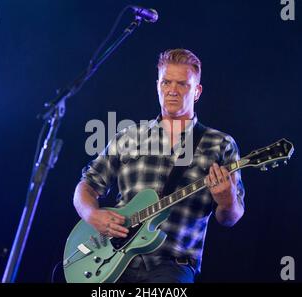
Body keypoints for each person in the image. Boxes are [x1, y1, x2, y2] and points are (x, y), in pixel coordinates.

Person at [73, 48, 245, 283]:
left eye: (182, 84)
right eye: (166, 82)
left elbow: (231, 217)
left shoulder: (220, 144)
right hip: (111, 258)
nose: (172, 90)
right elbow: (87, 186)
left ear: (197, 91)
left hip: (172, 264)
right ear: (157, 85)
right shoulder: (129, 136)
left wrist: (227, 200)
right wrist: (92, 214)